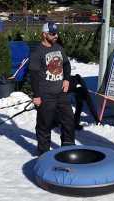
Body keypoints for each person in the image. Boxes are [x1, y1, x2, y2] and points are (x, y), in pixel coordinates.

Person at [29, 22, 75, 155]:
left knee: (69, 121)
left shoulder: (59, 48)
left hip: (61, 93)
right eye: (52, 33)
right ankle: (43, 153)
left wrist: (66, 79)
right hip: (45, 95)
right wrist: (36, 95)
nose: (56, 36)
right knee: (45, 125)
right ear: (44, 34)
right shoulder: (37, 52)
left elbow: (66, 65)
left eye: (56, 33)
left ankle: (68, 148)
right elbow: (33, 75)